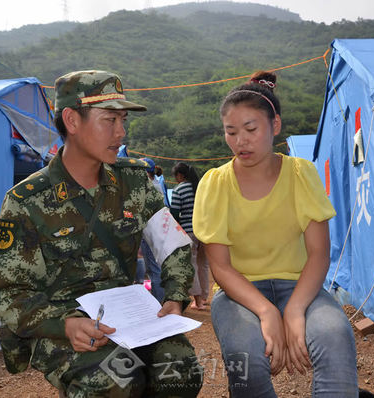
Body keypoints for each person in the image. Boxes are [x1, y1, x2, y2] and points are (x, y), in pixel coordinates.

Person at [0, 70, 202, 397]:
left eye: (123, 120)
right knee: (114, 381)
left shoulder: (134, 183)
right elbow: (9, 294)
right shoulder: (27, 201)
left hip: (130, 319)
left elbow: (173, 244)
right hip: (63, 324)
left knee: (182, 370)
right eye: (109, 120)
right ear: (72, 121)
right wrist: (64, 325)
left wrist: (174, 296)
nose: (120, 132)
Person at [192, 71, 358, 397]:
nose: (241, 140)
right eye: (231, 132)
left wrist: (294, 309)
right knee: (246, 360)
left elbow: (319, 253)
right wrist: (267, 312)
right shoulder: (214, 184)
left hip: (300, 286)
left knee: (335, 336)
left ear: (275, 126)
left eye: (251, 129)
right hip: (239, 292)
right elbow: (221, 267)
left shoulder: (301, 174)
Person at [170, 162, 209, 310]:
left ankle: (198, 301)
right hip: (204, 230)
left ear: (180, 175)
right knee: (203, 264)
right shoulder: (200, 187)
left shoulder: (178, 190)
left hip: (189, 231)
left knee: (191, 265)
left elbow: (174, 214)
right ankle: (204, 298)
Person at [139, 157, 169, 302]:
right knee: (157, 267)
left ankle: (159, 302)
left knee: (154, 269)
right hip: (158, 230)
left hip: (150, 231)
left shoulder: (148, 186)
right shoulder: (157, 184)